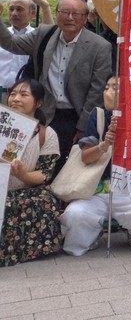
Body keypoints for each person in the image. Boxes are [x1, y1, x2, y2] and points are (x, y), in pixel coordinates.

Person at [60, 75, 131, 255]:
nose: (108, 91)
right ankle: (91, 234)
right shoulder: (98, 115)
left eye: (115, 87)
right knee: (75, 214)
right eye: (106, 86)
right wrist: (103, 145)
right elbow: (86, 157)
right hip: (98, 186)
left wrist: (124, 135)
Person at [0, 0, 112, 163]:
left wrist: (83, 126)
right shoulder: (44, 34)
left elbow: (97, 90)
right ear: (57, 14)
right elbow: (12, 44)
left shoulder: (100, 46)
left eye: (76, 13)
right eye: (64, 12)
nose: (69, 17)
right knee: (33, 162)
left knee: (64, 165)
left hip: (74, 115)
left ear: (85, 17)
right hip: (43, 112)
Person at [0, 79, 62, 266]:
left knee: (44, 200)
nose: (16, 99)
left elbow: (44, 174)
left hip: (24, 189)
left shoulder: (47, 134)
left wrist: (22, 174)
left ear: (39, 102)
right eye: (12, 94)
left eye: (24, 95)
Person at [0, 0, 52, 100]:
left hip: (25, 97)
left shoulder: (36, 36)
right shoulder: (2, 35)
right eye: (11, 9)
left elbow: (49, 34)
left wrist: (45, 7)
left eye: (19, 9)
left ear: (32, 14)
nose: (14, 13)